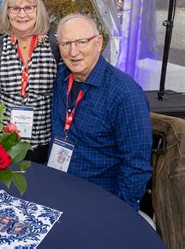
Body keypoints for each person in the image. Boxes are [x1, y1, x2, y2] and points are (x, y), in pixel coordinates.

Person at [50, 13, 152, 210]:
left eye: (81, 42)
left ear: (98, 43)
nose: (73, 51)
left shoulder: (126, 95)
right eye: (66, 44)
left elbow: (136, 166)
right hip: (56, 189)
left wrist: (119, 214)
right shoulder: (59, 77)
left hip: (97, 201)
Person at [0, 0, 57, 163]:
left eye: (28, 7)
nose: (22, 14)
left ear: (38, 11)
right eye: (15, 8)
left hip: (45, 142)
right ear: (7, 12)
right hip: (7, 143)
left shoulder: (54, 47)